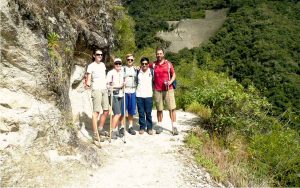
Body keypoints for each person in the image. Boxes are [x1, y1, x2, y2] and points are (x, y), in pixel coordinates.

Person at [150, 47, 178, 135]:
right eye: (157, 54)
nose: (159, 55)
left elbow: (174, 75)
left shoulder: (168, 64)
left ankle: (174, 126)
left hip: (168, 89)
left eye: (160, 53)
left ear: (163, 54)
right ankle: (159, 126)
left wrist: (170, 82)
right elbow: (145, 66)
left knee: (172, 108)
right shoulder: (153, 64)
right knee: (159, 109)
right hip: (157, 90)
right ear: (156, 55)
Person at [86, 49, 109, 141]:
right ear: (94, 55)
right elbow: (89, 77)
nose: (100, 56)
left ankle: (100, 128)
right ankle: (95, 134)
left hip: (104, 89)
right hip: (96, 89)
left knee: (106, 111)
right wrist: (87, 83)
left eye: (101, 55)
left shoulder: (103, 65)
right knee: (96, 112)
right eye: (97, 54)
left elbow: (104, 77)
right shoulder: (91, 66)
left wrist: (108, 83)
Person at [106, 58, 125, 139]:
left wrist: (124, 84)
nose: (118, 65)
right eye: (116, 63)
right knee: (118, 114)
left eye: (119, 63)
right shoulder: (110, 73)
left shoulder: (122, 73)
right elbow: (107, 85)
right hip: (113, 95)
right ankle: (112, 131)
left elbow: (124, 83)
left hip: (121, 94)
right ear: (114, 64)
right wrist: (114, 86)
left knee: (118, 113)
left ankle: (116, 129)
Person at [136, 57, 154, 135]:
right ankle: (142, 127)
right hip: (139, 95)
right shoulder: (137, 71)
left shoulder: (152, 71)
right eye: (143, 63)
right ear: (141, 64)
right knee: (141, 112)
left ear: (148, 64)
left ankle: (149, 128)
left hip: (149, 95)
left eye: (146, 63)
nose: (144, 65)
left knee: (148, 112)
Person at [122, 54, 137, 135]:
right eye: (128, 59)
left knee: (131, 111)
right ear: (126, 60)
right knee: (123, 111)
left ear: (133, 60)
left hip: (133, 91)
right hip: (124, 91)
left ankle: (130, 126)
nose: (130, 61)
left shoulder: (136, 69)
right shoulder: (123, 69)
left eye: (131, 60)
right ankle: (122, 127)